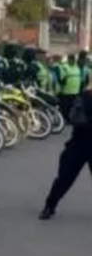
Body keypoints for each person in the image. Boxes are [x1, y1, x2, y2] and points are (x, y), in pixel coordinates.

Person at [39, 73, 92, 220]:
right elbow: (76, 119)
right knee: (64, 178)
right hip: (78, 145)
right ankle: (49, 206)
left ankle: (49, 206)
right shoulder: (83, 97)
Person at [58, 54, 82, 123]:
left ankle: (71, 119)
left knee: (73, 107)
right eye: (71, 59)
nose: (73, 61)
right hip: (66, 91)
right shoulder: (64, 67)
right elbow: (62, 79)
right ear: (68, 59)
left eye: (73, 59)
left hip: (75, 91)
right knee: (66, 107)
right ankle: (65, 119)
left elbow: (79, 78)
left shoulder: (77, 67)